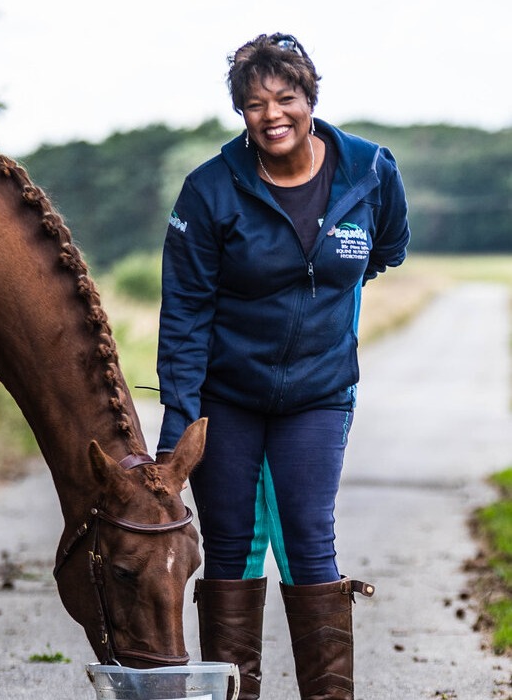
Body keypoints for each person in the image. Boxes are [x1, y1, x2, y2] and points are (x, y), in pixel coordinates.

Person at [155, 32, 410, 700]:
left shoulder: (370, 171)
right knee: (232, 548)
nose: (272, 114)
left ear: (310, 97)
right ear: (240, 112)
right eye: (254, 103)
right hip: (227, 397)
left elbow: (387, 248)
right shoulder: (209, 190)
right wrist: (178, 433)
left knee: (308, 540)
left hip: (319, 396)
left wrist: (325, 294)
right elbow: (183, 314)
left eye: (285, 98)